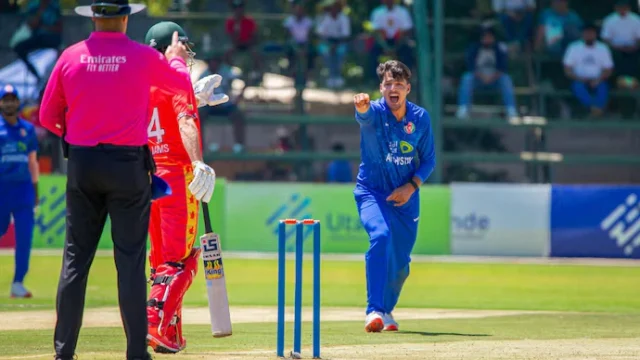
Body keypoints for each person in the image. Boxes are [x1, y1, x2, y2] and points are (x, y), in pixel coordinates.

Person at [38, 1, 194, 359]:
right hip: (128, 166)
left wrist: (77, 137)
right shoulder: (142, 56)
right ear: (126, 18)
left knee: (75, 262)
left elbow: (48, 116)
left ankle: (63, 352)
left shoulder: (71, 56)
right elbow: (182, 87)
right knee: (130, 262)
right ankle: (136, 352)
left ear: (93, 17)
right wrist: (173, 56)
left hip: (83, 163)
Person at [143, 21, 225, 354]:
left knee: (161, 262)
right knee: (181, 262)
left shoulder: (139, 80)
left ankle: (170, 334)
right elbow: (183, 119)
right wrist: (198, 162)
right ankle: (153, 320)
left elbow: (157, 111)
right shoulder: (176, 79)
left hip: (149, 180)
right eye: (183, 47)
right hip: (176, 175)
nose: (188, 54)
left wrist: (195, 95)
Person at [352, 60, 435, 332]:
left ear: (408, 88)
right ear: (381, 88)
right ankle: (373, 310)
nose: (393, 89)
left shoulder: (420, 118)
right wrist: (361, 107)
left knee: (401, 264)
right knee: (381, 236)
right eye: (388, 84)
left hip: (406, 199)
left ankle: (386, 311)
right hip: (372, 192)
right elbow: (364, 116)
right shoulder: (374, 111)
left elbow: (429, 161)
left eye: (398, 84)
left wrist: (411, 187)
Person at [0, 84, 39, 299]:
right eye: (5, 99)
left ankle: (18, 283)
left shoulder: (28, 129)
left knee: (24, 238)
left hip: (23, 189)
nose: (9, 103)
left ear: (18, 102)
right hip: (1, 189)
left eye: (12, 98)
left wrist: (35, 189)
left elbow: (32, 161)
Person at [456, 27, 518, 119]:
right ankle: (463, 109)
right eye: (485, 37)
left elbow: (502, 69)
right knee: (467, 78)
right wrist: (482, 77)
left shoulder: (499, 48)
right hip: (478, 79)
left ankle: (511, 110)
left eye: (489, 37)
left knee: (506, 79)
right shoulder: (474, 48)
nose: (487, 39)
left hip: (495, 80)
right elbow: (471, 68)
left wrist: (491, 78)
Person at [563, 23, 614, 117]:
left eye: (591, 33)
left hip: (598, 79)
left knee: (603, 87)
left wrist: (598, 79)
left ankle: (596, 110)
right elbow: (567, 69)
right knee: (578, 87)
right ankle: (594, 109)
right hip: (579, 79)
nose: (589, 35)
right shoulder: (574, 47)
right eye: (586, 33)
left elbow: (608, 69)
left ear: (595, 34)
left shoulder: (603, 48)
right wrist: (580, 78)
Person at [11, 0, 63, 85]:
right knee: (19, 48)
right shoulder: (34, 4)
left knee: (60, 52)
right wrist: (41, 9)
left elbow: (59, 28)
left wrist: (45, 27)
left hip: (52, 38)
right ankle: (36, 76)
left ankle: (53, 79)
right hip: (37, 36)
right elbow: (33, 24)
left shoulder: (54, 5)